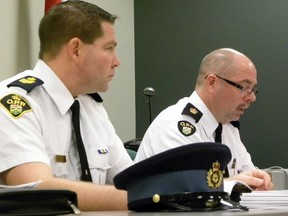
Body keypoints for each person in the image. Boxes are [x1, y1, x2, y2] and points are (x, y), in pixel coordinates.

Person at [0, 0, 134, 211]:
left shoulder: (92, 108)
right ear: (76, 50)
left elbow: (131, 180)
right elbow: (37, 190)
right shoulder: (14, 102)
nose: (116, 61)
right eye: (109, 48)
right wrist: (144, 198)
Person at [134, 48, 273, 191]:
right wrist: (233, 184)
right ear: (212, 82)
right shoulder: (176, 125)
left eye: (253, 89)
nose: (252, 97)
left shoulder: (227, 129)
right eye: (244, 87)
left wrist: (256, 180)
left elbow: (246, 174)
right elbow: (185, 190)